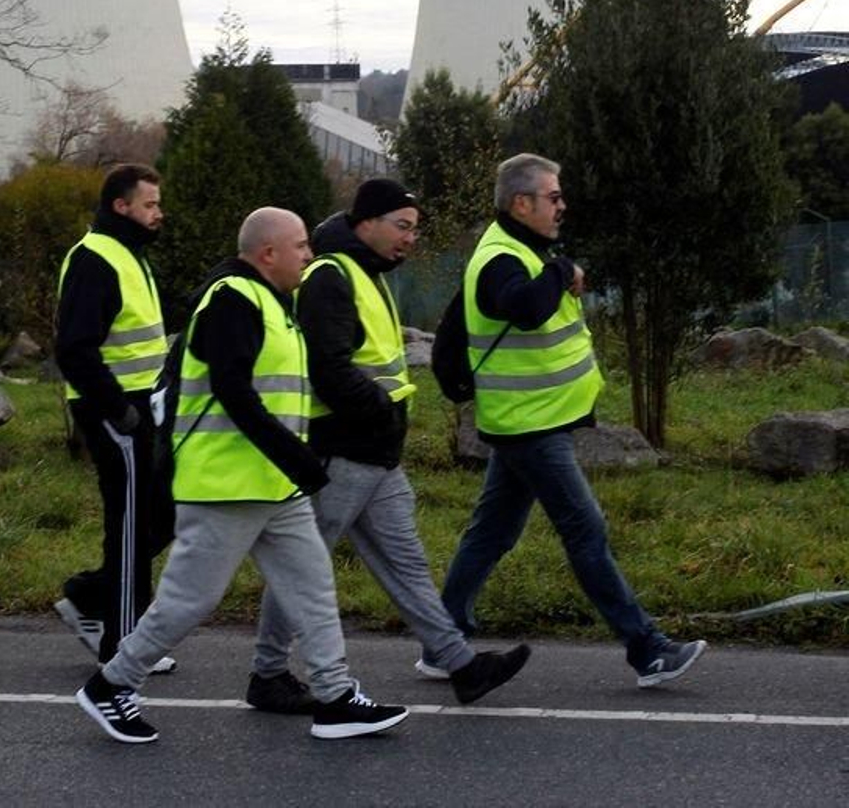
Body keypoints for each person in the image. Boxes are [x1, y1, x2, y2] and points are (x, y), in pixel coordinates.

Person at [76, 208, 408, 745]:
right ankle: (112, 684)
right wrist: (298, 458)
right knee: (189, 602)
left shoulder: (276, 304)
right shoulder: (231, 299)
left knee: (314, 589)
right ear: (267, 253)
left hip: (273, 487)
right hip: (224, 486)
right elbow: (234, 394)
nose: (309, 254)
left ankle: (335, 697)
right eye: (300, 245)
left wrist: (293, 465)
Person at [251, 179, 530, 713]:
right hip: (343, 451)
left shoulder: (365, 272)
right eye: (402, 227)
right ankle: (267, 672)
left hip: (375, 454)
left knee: (406, 566)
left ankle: (462, 666)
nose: (410, 239)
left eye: (415, 229)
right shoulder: (332, 276)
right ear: (366, 223)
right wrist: (380, 410)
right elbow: (328, 368)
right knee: (302, 565)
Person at [439, 153, 707, 687]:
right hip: (529, 426)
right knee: (586, 530)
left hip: (529, 422)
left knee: (491, 533)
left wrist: (557, 267)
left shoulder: (517, 249)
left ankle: (441, 637)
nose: (563, 205)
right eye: (554, 197)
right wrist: (562, 270)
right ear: (522, 202)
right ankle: (647, 649)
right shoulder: (502, 259)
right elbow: (524, 308)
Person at [52, 164, 175, 673]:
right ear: (121, 207)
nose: (158, 213)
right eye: (150, 205)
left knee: (160, 515)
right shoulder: (96, 258)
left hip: (141, 409)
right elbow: (75, 349)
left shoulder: (129, 254)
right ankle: (123, 647)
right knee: (128, 526)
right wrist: (119, 411)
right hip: (114, 413)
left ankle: (90, 598)